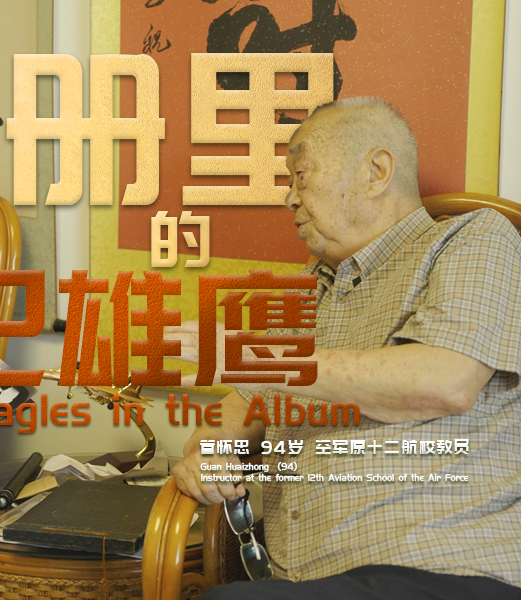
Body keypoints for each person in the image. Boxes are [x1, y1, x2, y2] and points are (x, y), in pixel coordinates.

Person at [167, 97, 521, 599]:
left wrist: (256, 358)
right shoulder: (305, 290)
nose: (289, 198)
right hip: (303, 580)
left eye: (301, 175)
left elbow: (446, 382)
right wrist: (208, 454)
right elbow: (244, 404)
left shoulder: (472, 239)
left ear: (376, 173)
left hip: (439, 567)